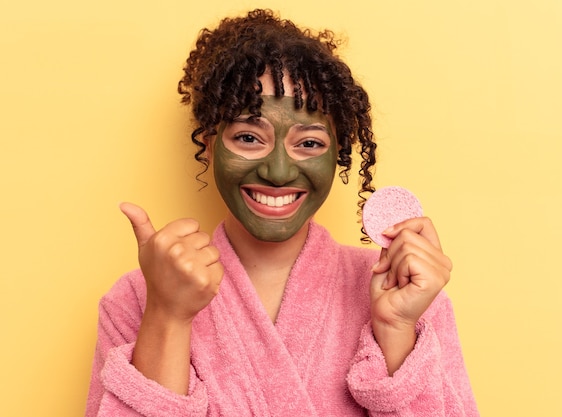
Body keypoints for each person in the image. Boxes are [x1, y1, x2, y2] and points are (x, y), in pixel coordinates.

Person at [86, 9, 479, 416]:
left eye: (308, 143)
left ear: (338, 155)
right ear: (210, 142)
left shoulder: (407, 294)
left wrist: (397, 330)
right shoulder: (137, 299)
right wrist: (167, 315)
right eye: (249, 137)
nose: (278, 171)